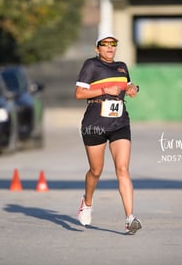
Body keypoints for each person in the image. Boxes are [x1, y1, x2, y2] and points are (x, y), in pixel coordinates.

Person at [75, 32, 142, 234]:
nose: (110, 48)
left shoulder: (122, 66)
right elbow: (79, 94)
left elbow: (127, 85)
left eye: (113, 44)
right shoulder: (91, 65)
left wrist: (133, 89)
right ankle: (87, 202)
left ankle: (130, 218)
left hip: (120, 123)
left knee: (122, 169)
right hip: (94, 124)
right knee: (96, 171)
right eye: (105, 45)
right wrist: (105, 90)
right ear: (97, 48)